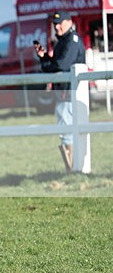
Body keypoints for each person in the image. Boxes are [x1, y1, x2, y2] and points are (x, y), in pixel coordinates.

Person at [35, 11, 86, 171]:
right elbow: (56, 65)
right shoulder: (64, 41)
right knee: (67, 131)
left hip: (69, 94)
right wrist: (44, 58)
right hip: (65, 93)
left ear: (69, 22)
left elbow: (61, 66)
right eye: (54, 24)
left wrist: (46, 65)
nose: (56, 27)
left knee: (66, 132)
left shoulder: (71, 41)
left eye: (60, 23)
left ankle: (72, 170)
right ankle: (73, 169)